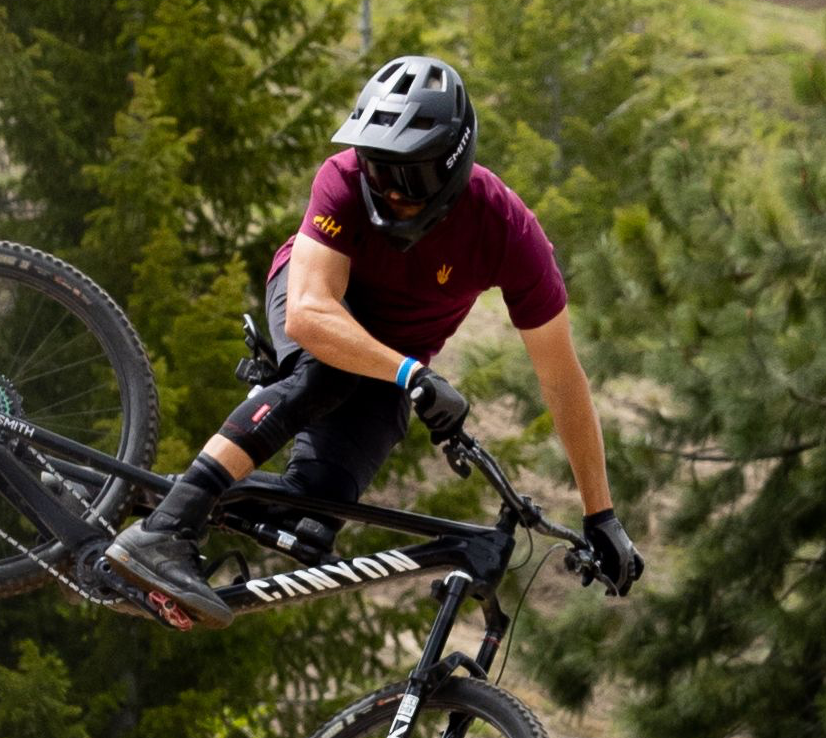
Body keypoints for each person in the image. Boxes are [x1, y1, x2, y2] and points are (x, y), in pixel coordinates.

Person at [103, 54, 643, 630]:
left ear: (452, 167)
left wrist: (601, 513)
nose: (386, 191)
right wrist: (414, 375)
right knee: (325, 371)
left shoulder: (506, 231)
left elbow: (561, 377)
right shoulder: (341, 177)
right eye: (376, 170)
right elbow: (312, 315)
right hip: (321, 304)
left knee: (314, 513)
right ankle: (165, 531)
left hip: (392, 361)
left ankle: (158, 512)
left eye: (406, 177)